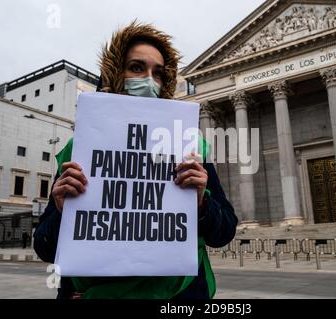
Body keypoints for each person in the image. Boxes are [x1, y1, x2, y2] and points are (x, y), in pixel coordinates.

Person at [33, 21, 238, 299]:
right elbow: (44, 247)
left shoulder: (189, 145)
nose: (149, 81)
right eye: (137, 68)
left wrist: (202, 203)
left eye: (159, 73)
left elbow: (223, 232)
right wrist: (60, 209)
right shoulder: (78, 147)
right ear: (116, 73)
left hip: (180, 296)